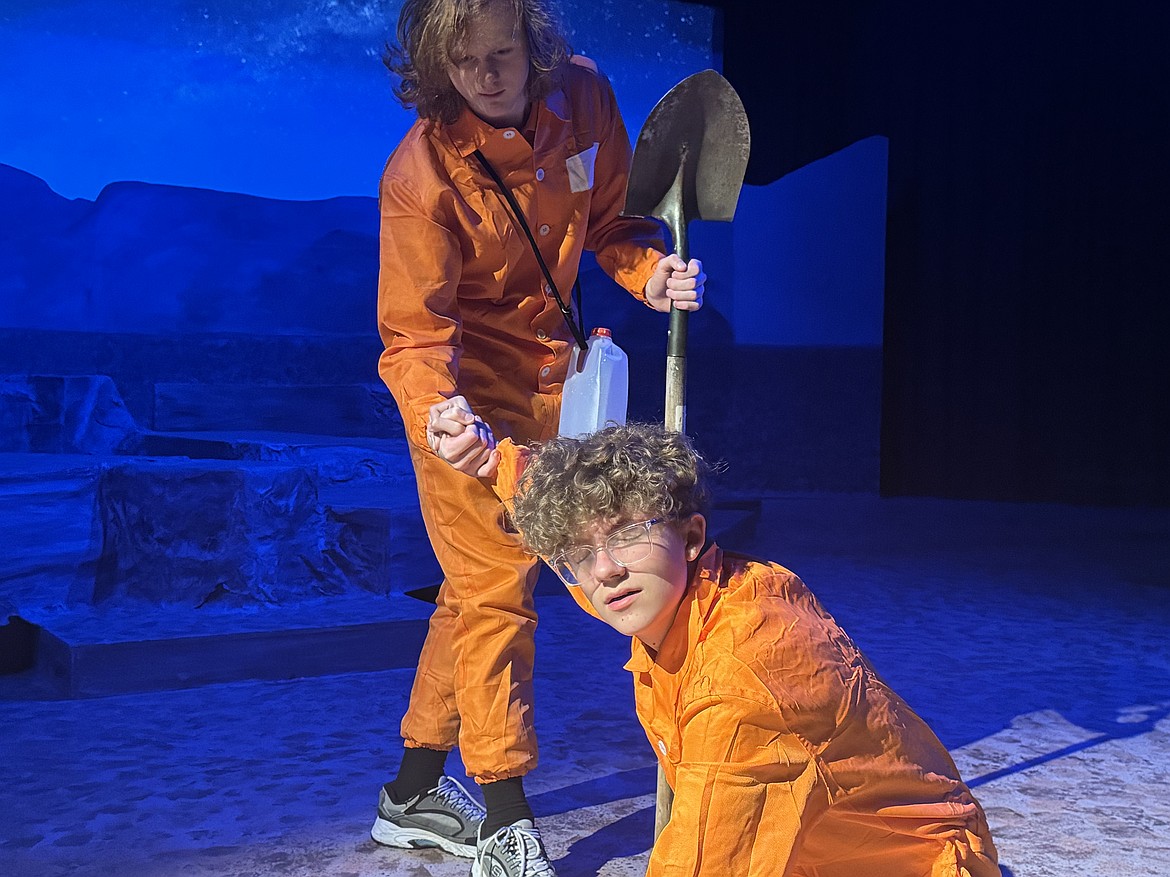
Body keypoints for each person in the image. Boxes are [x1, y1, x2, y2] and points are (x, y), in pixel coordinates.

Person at [371, 0, 705, 873]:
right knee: (493, 590)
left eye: (504, 52)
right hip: (459, 402)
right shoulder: (419, 175)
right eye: (465, 60)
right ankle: (504, 814)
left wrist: (650, 273)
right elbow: (412, 336)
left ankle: (410, 792)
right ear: (438, 66)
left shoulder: (586, 99)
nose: (487, 74)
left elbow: (613, 226)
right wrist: (441, 412)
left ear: (535, 46)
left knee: (474, 587)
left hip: (556, 384)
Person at [490, 422, 1002, 877]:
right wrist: (493, 460)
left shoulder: (741, 686)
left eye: (627, 534)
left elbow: (705, 860)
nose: (604, 571)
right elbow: (578, 549)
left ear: (691, 536)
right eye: (580, 553)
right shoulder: (672, 588)